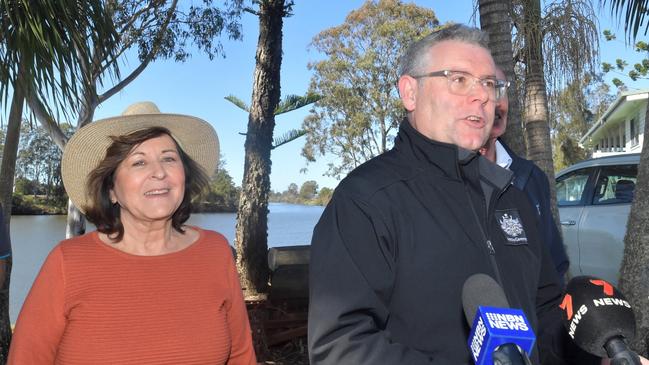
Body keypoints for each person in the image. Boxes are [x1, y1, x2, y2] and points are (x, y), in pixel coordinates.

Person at [308, 24, 595, 364]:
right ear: (409, 93)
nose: (483, 96)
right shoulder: (366, 199)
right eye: (459, 79)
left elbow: (545, 310)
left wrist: (594, 355)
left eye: (490, 83)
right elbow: (341, 346)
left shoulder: (512, 198)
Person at [8, 102, 257, 365]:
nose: (159, 172)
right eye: (139, 162)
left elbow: (241, 356)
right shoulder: (67, 263)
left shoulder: (215, 252)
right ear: (112, 190)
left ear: (184, 175)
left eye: (169, 158)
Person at [479, 68, 570, 287]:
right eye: (486, 89)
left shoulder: (530, 177)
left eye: (500, 89)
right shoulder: (435, 180)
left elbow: (552, 264)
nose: (496, 103)